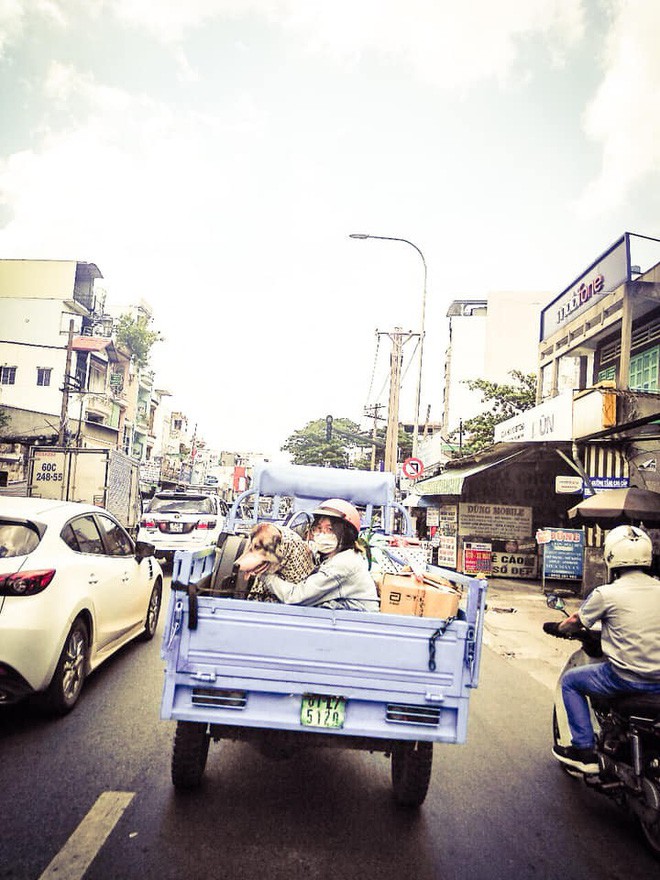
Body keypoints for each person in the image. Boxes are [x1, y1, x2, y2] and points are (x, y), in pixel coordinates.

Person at [549, 524, 660, 774]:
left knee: (570, 682)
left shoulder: (606, 593)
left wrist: (559, 627)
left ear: (610, 556)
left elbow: (577, 621)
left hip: (626, 679)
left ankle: (584, 750)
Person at [259, 498, 379, 612]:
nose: (322, 535)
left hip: (355, 625)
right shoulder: (337, 555)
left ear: (346, 534)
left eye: (330, 529)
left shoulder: (343, 564)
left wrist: (267, 576)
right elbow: (310, 548)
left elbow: (294, 597)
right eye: (319, 529)